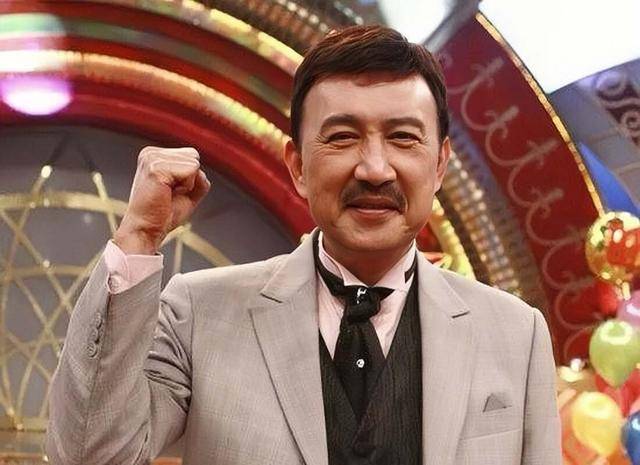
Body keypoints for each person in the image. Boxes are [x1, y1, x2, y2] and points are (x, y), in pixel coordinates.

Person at [46, 25, 561, 465]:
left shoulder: (516, 335)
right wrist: (139, 234)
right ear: (296, 166)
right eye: (342, 137)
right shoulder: (198, 313)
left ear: (441, 164)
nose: (374, 169)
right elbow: (91, 453)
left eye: (403, 137)